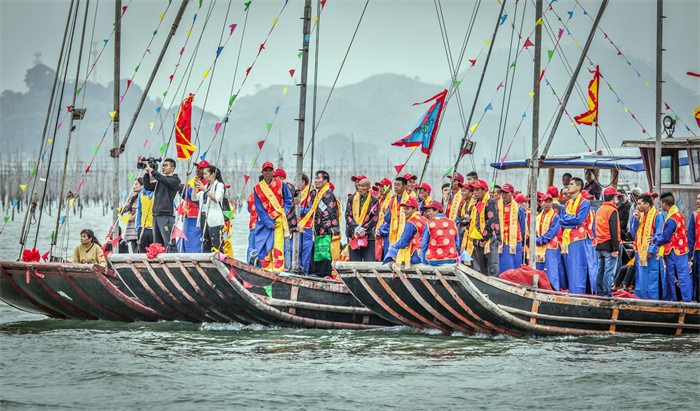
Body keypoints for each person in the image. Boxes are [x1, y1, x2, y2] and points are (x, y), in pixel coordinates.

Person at [653, 192, 693, 302]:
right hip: (681, 250)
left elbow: (665, 237)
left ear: (664, 203)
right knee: (681, 277)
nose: (661, 205)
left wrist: (654, 239)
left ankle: (676, 300)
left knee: (673, 277)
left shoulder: (671, 219)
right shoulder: (678, 214)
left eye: (661, 203)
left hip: (674, 251)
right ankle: (683, 300)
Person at [254, 162, 294, 271]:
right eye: (266, 170)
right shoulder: (257, 188)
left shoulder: (281, 184)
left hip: (279, 221)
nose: (268, 173)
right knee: (264, 249)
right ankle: (267, 275)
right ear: (262, 172)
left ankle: (277, 274)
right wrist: (269, 223)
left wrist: (282, 212)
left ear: (273, 172)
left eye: (270, 170)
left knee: (278, 248)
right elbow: (259, 208)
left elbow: (288, 201)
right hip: (264, 223)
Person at [560, 177, 596, 294]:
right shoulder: (567, 204)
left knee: (579, 266)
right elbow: (561, 220)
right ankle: (573, 290)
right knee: (571, 267)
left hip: (580, 239)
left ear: (578, 188)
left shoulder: (584, 203)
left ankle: (581, 291)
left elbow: (579, 218)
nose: (568, 186)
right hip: (569, 239)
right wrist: (574, 224)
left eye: (571, 184)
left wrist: (569, 220)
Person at [299, 170, 339, 277]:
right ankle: (319, 273)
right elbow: (316, 205)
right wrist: (312, 190)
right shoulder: (320, 194)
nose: (316, 180)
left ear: (325, 181)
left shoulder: (328, 194)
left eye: (319, 178)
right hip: (319, 229)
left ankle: (325, 274)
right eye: (315, 178)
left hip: (325, 230)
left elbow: (327, 213)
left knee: (324, 253)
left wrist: (323, 229)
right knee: (319, 253)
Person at [629, 193, 664, 299]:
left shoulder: (657, 215)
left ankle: (652, 299)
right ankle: (640, 298)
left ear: (647, 204)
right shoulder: (639, 215)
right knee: (640, 277)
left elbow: (659, 235)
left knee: (652, 277)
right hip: (639, 251)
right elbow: (634, 233)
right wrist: (635, 220)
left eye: (639, 204)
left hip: (651, 253)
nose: (637, 206)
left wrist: (652, 250)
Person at [142, 158, 181, 251]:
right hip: (156, 215)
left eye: (166, 165)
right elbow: (147, 186)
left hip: (166, 216)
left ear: (172, 168)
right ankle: (161, 262)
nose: (163, 167)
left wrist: (153, 171)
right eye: (162, 165)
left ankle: (173, 261)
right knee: (157, 244)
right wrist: (147, 173)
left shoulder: (175, 180)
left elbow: (165, 180)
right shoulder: (160, 181)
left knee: (169, 242)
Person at [464, 180, 500, 276]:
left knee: (492, 267)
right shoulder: (477, 205)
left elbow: (492, 222)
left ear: (484, 191)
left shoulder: (490, 202)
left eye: (477, 190)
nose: (474, 192)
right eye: (473, 190)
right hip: (479, 240)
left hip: (490, 240)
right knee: (482, 268)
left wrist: (483, 239)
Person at [594, 187, 621, 297]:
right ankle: (607, 294)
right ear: (614, 198)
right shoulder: (612, 210)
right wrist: (616, 248)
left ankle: (600, 293)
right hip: (609, 245)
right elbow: (613, 231)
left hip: (600, 244)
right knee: (609, 273)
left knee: (600, 272)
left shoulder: (600, 209)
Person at [385, 197, 427, 267]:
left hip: (416, 255)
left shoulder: (411, 222)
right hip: (427, 253)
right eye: (404, 209)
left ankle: (391, 271)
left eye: (407, 209)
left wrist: (393, 246)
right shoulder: (425, 219)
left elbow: (403, 242)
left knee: (392, 251)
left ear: (414, 209)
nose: (405, 211)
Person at [178, 160, 209, 252]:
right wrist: (181, 190)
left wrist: (187, 190)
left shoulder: (207, 184)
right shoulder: (192, 181)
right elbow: (186, 197)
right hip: (188, 215)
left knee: (195, 240)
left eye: (201, 168)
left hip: (198, 216)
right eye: (197, 168)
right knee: (185, 237)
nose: (198, 170)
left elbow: (197, 199)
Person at [346, 178, 379, 262]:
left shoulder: (374, 200)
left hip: (368, 235)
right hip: (354, 234)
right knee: (354, 262)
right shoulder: (351, 198)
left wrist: (363, 230)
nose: (360, 188)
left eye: (363, 186)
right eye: (359, 185)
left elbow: (374, 218)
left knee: (369, 263)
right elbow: (348, 215)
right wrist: (357, 228)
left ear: (369, 188)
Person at [536, 194, 564, 290]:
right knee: (539, 270)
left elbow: (551, 233)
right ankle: (540, 290)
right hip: (539, 248)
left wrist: (538, 240)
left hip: (551, 248)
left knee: (552, 272)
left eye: (549, 202)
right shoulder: (537, 217)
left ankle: (553, 291)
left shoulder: (555, 217)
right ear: (541, 203)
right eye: (545, 201)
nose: (547, 204)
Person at [195, 165, 226, 253]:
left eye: (205, 174)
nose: (203, 176)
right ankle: (207, 264)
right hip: (203, 218)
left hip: (214, 218)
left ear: (213, 174)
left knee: (217, 243)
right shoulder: (206, 186)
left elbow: (217, 198)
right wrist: (195, 187)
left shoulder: (219, 185)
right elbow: (194, 198)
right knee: (206, 244)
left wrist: (205, 190)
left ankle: (222, 262)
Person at [377, 177, 410, 258]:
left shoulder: (409, 200)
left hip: (405, 232)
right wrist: (386, 213)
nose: (396, 187)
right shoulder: (392, 201)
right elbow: (389, 220)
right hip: (393, 232)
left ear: (405, 187)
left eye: (398, 185)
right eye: (395, 185)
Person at [420, 201, 460, 266]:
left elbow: (424, 244)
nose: (427, 214)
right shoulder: (452, 223)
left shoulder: (429, 223)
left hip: (433, 260)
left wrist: (424, 261)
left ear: (436, 210)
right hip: (451, 259)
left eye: (429, 211)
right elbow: (457, 243)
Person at [274, 168, 298, 270]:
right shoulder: (291, 186)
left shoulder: (282, 186)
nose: (273, 178)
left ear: (281, 178)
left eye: (275, 177)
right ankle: (285, 267)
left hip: (285, 220)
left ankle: (285, 267)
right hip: (288, 220)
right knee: (284, 245)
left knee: (284, 245)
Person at [498, 183, 526, 273]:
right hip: (500, 241)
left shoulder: (519, 208)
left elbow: (522, 226)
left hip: (514, 242)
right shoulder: (496, 206)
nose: (504, 195)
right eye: (502, 192)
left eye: (506, 192)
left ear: (512, 193)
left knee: (514, 265)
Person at [120, 179, 141, 253]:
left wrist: (137, 215)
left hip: (140, 228)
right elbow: (127, 208)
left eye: (136, 184)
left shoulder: (145, 197)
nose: (133, 186)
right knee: (134, 251)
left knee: (141, 251)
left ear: (142, 186)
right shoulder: (134, 199)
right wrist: (118, 209)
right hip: (132, 229)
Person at [246, 177, 262, 265]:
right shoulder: (267, 195)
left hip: (252, 224)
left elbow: (249, 209)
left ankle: (249, 265)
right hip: (263, 225)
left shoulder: (251, 195)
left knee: (251, 247)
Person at [135, 177, 154, 253]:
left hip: (155, 228)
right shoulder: (142, 194)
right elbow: (139, 210)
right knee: (143, 253)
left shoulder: (159, 192)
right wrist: (138, 227)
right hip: (143, 228)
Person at [687, 193, 700, 302]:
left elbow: (691, 237)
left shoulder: (694, 215)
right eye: (697, 198)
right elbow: (690, 237)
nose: (698, 201)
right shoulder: (694, 215)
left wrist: (689, 255)